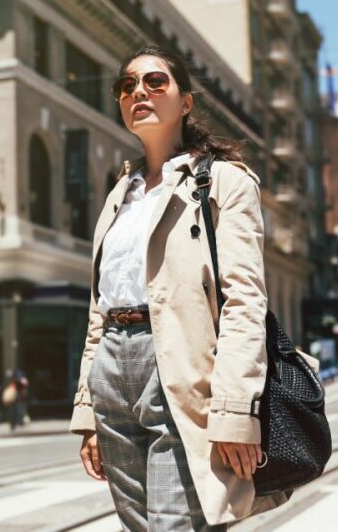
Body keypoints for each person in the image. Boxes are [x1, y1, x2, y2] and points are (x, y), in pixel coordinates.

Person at [71, 45, 287, 531]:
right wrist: (88, 409)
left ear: (185, 102)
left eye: (155, 82)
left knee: (176, 525)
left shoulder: (225, 182)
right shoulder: (118, 192)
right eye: (127, 86)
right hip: (112, 370)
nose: (138, 92)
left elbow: (244, 301)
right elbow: (98, 309)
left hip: (183, 371)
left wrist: (235, 412)